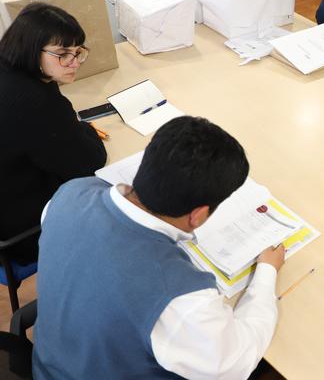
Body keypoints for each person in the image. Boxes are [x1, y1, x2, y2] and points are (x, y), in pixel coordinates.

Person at [33, 116, 285, 379]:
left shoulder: (70, 193)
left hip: (49, 364)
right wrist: (266, 274)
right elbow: (236, 362)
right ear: (198, 215)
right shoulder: (179, 298)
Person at [0, 3, 106, 265]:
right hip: (23, 233)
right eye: (62, 54)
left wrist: (70, 127)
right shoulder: (37, 103)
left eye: (77, 51)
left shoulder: (9, 69)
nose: (74, 62)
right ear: (31, 49)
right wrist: (84, 129)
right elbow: (88, 161)